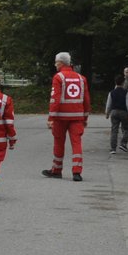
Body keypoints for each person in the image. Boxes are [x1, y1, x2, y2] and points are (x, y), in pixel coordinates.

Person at [42, 51, 89, 181]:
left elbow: (55, 99)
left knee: (58, 142)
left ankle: (57, 169)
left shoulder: (58, 77)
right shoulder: (81, 78)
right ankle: (77, 172)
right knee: (76, 143)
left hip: (60, 118)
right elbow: (86, 99)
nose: (55, 65)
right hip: (77, 117)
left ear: (61, 63)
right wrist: (85, 117)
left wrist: (51, 118)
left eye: (56, 62)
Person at [105, 76, 128, 154]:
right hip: (123, 112)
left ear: (115, 83)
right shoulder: (126, 92)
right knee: (126, 128)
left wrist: (107, 113)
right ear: (123, 83)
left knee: (114, 130)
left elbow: (108, 104)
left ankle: (113, 148)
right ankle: (123, 144)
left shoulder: (112, 92)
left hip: (114, 112)